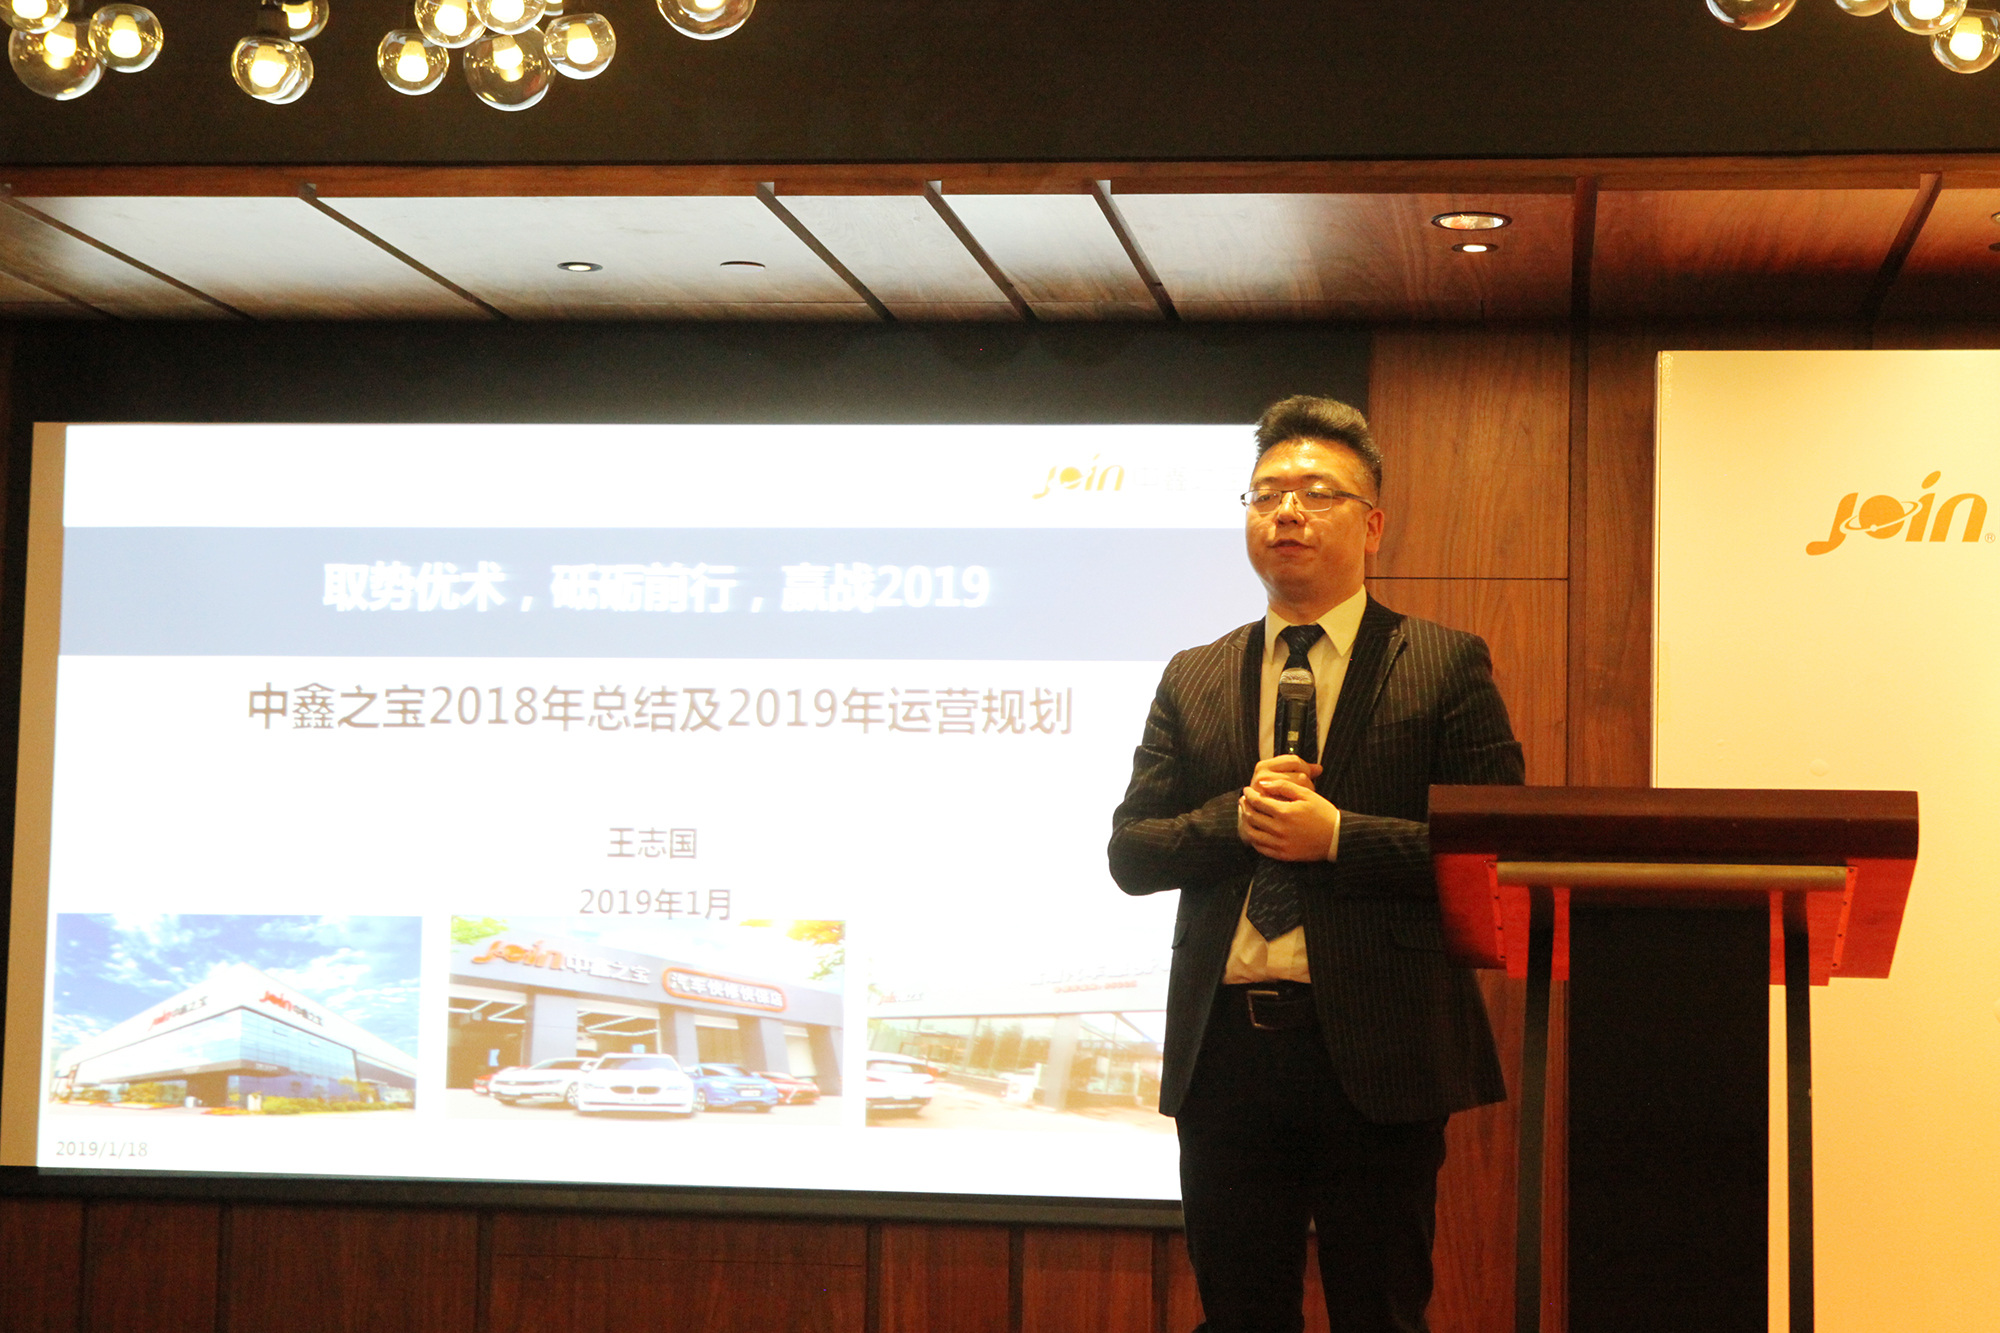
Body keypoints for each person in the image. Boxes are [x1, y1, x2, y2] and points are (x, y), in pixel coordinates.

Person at [1108, 395, 1524, 1333]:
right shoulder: (1194, 674)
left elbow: (1494, 854)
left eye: (1316, 493)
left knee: (1379, 1313)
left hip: (1378, 1053)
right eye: (1266, 494)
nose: (1286, 512)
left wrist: (1338, 836)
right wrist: (1236, 819)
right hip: (1228, 1056)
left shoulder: (1442, 663)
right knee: (1238, 1314)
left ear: (1372, 523)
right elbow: (1133, 851)